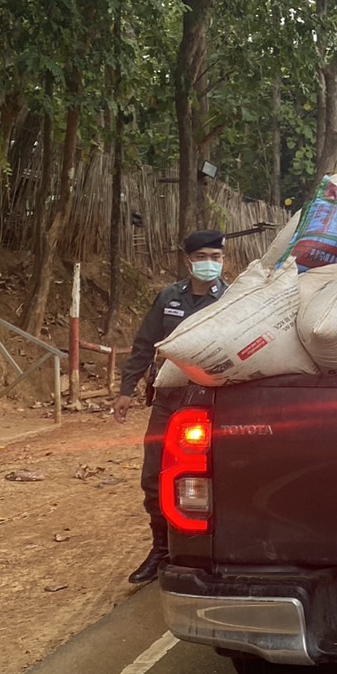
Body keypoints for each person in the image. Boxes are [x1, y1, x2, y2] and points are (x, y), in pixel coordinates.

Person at [114, 229, 228, 585]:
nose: (209, 263)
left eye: (216, 257)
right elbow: (144, 344)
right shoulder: (168, 297)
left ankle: (207, 551)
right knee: (154, 476)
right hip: (168, 401)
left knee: (210, 476)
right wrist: (126, 390)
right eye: (202, 257)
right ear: (188, 260)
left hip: (212, 403)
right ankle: (161, 550)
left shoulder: (232, 299)